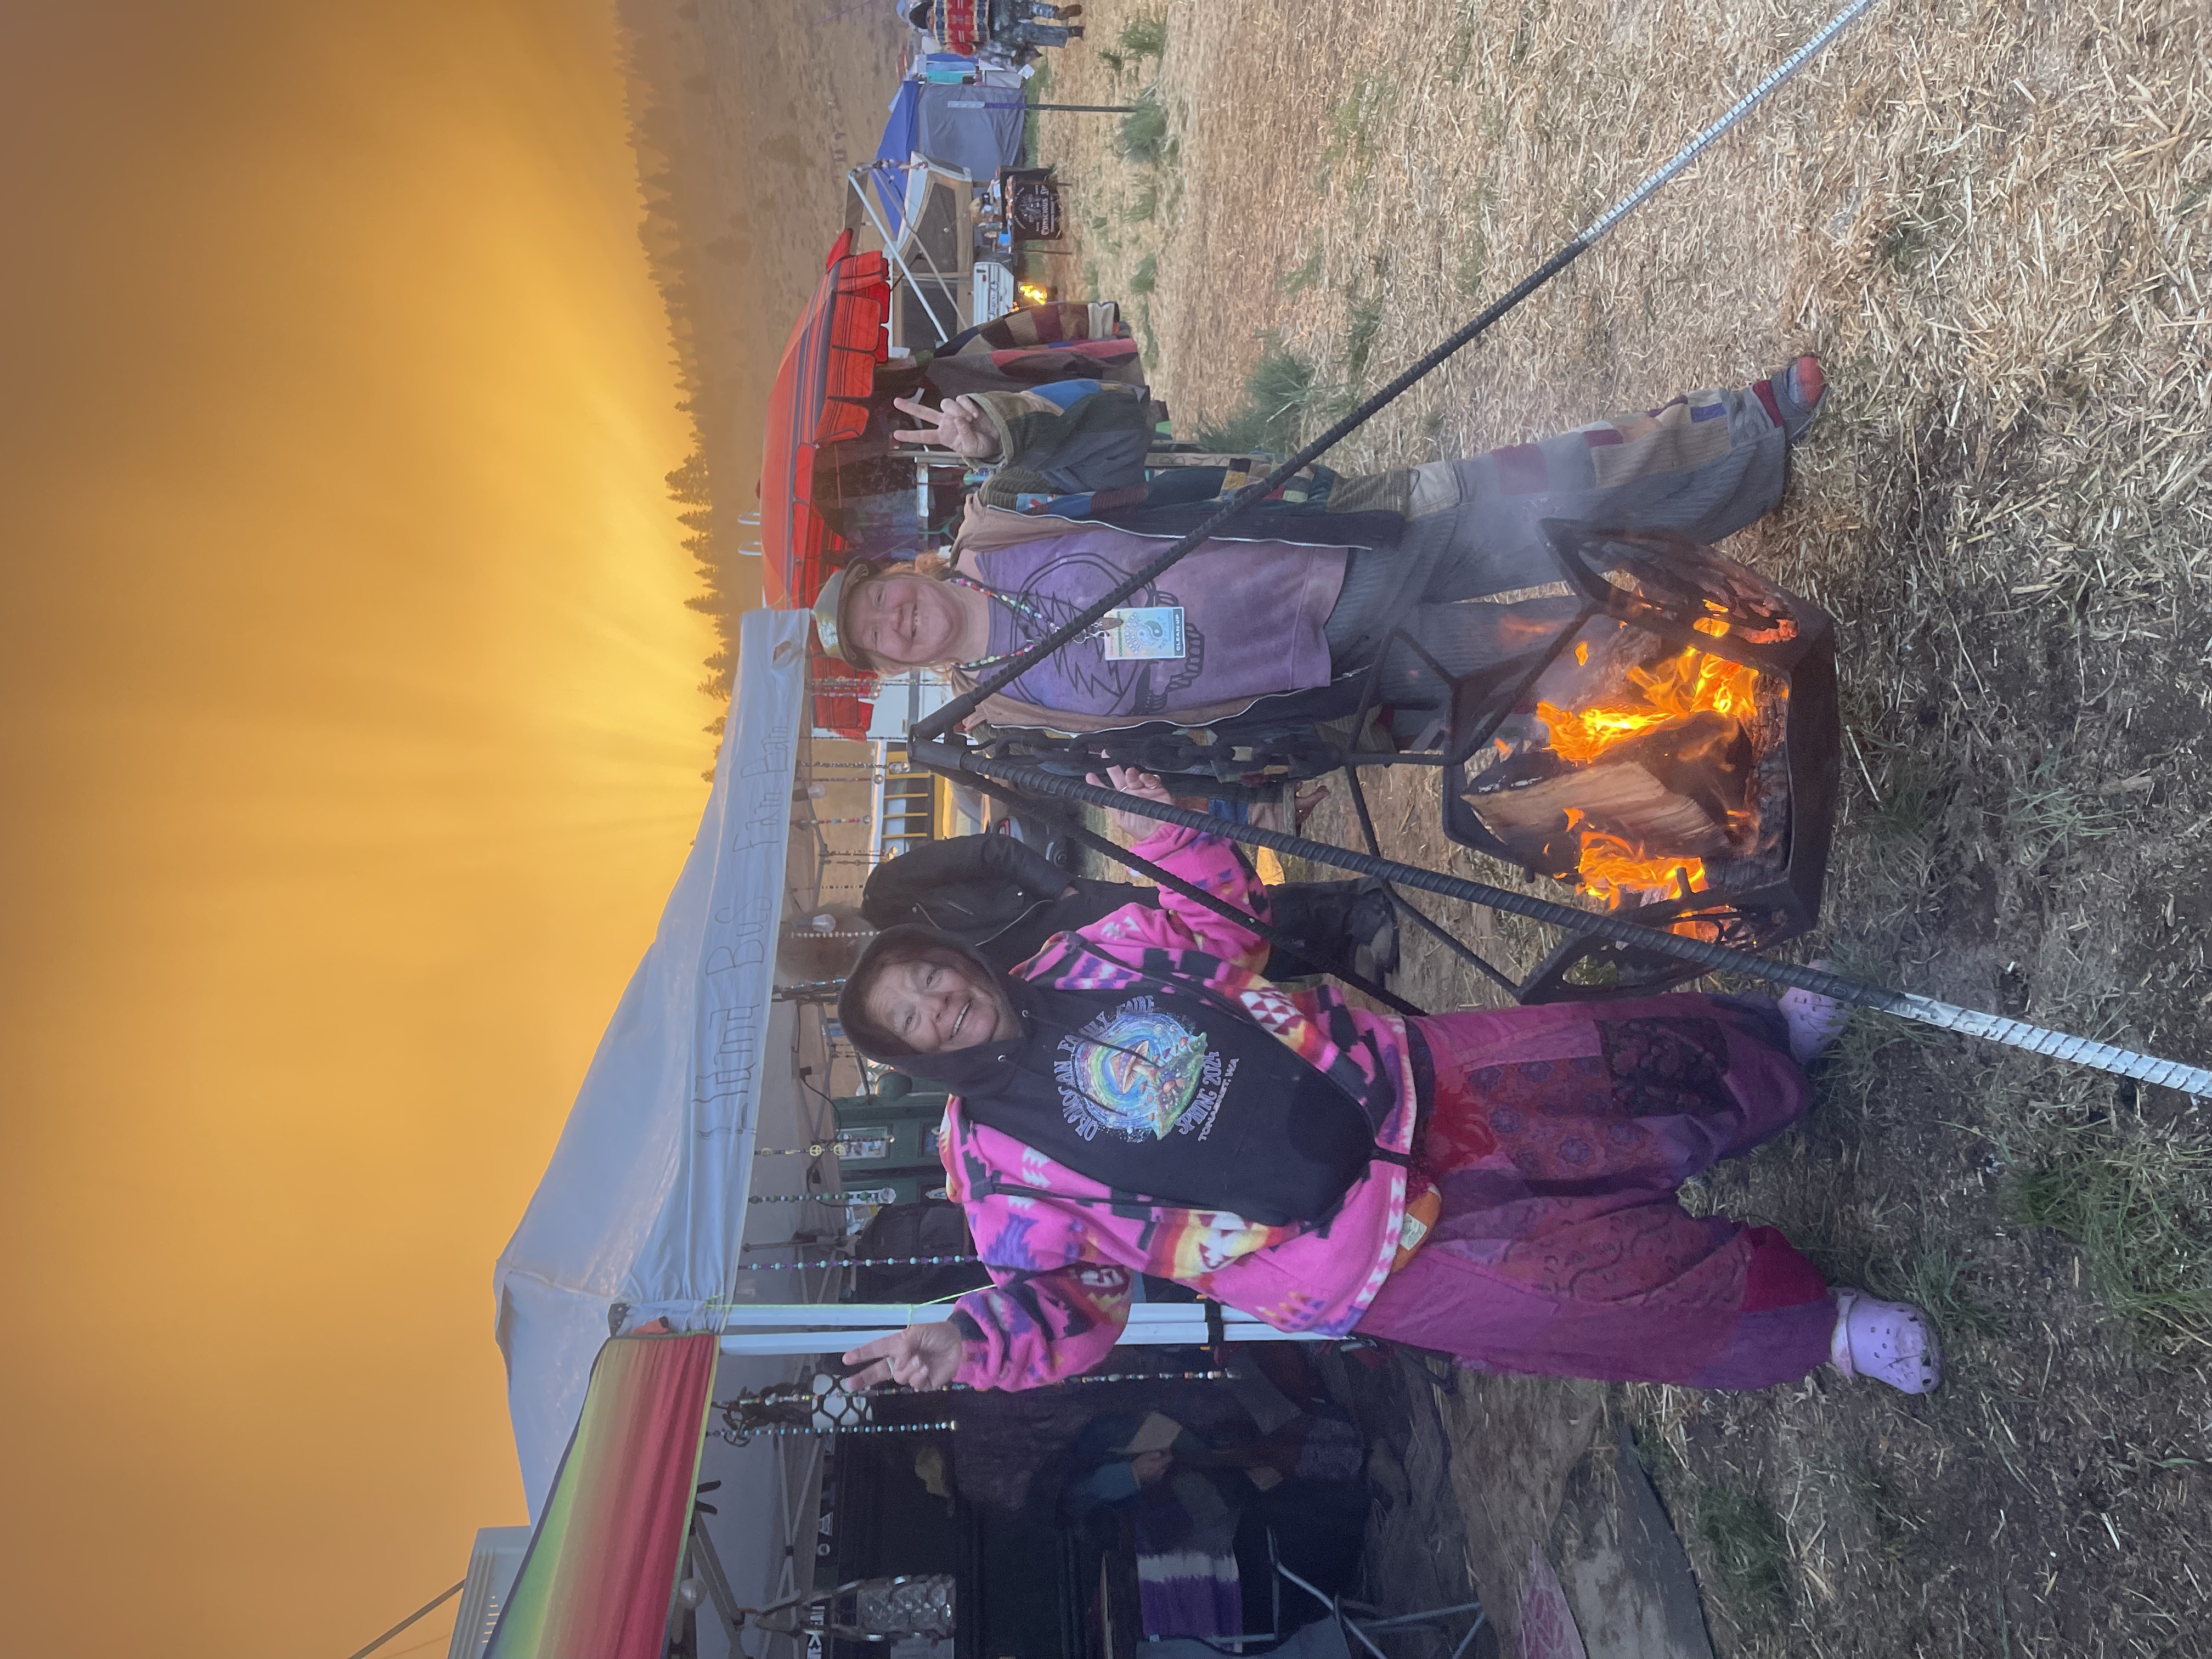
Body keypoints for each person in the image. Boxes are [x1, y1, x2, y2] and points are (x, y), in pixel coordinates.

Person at [835, 765, 1941, 1397]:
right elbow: (1075, 1303)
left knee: (1610, 1070)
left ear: (956, 959)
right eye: (913, 1019)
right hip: (1351, 1260)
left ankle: (1769, 1059)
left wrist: (1169, 837)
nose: (940, 1004)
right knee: (1587, 1300)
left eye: (930, 977)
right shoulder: (992, 1173)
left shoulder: (1086, 954)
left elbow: (1222, 932)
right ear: (913, 1057)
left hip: (1402, 1080)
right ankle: (1827, 1329)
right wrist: (967, 1342)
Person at [811, 362, 1829, 735]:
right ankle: (1746, 674)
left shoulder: (1004, 513)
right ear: (905, 665)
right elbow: (1160, 738)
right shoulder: (1000, 714)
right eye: (885, 641)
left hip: (1332, 546)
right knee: (1544, 666)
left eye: (884, 601)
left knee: (1551, 492)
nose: (899, 622)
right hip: (1332, 675)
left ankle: (1745, 436)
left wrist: (1007, 426)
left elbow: (1120, 425)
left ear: (907, 572)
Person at [861, 830, 1400, 983]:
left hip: (1070, 910)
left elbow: (987, 849)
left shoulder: (889, 891)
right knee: (1207, 973)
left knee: (1210, 916)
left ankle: (1359, 907)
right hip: (1076, 964)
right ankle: (1333, 956)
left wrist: (1060, 888)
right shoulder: (894, 981)